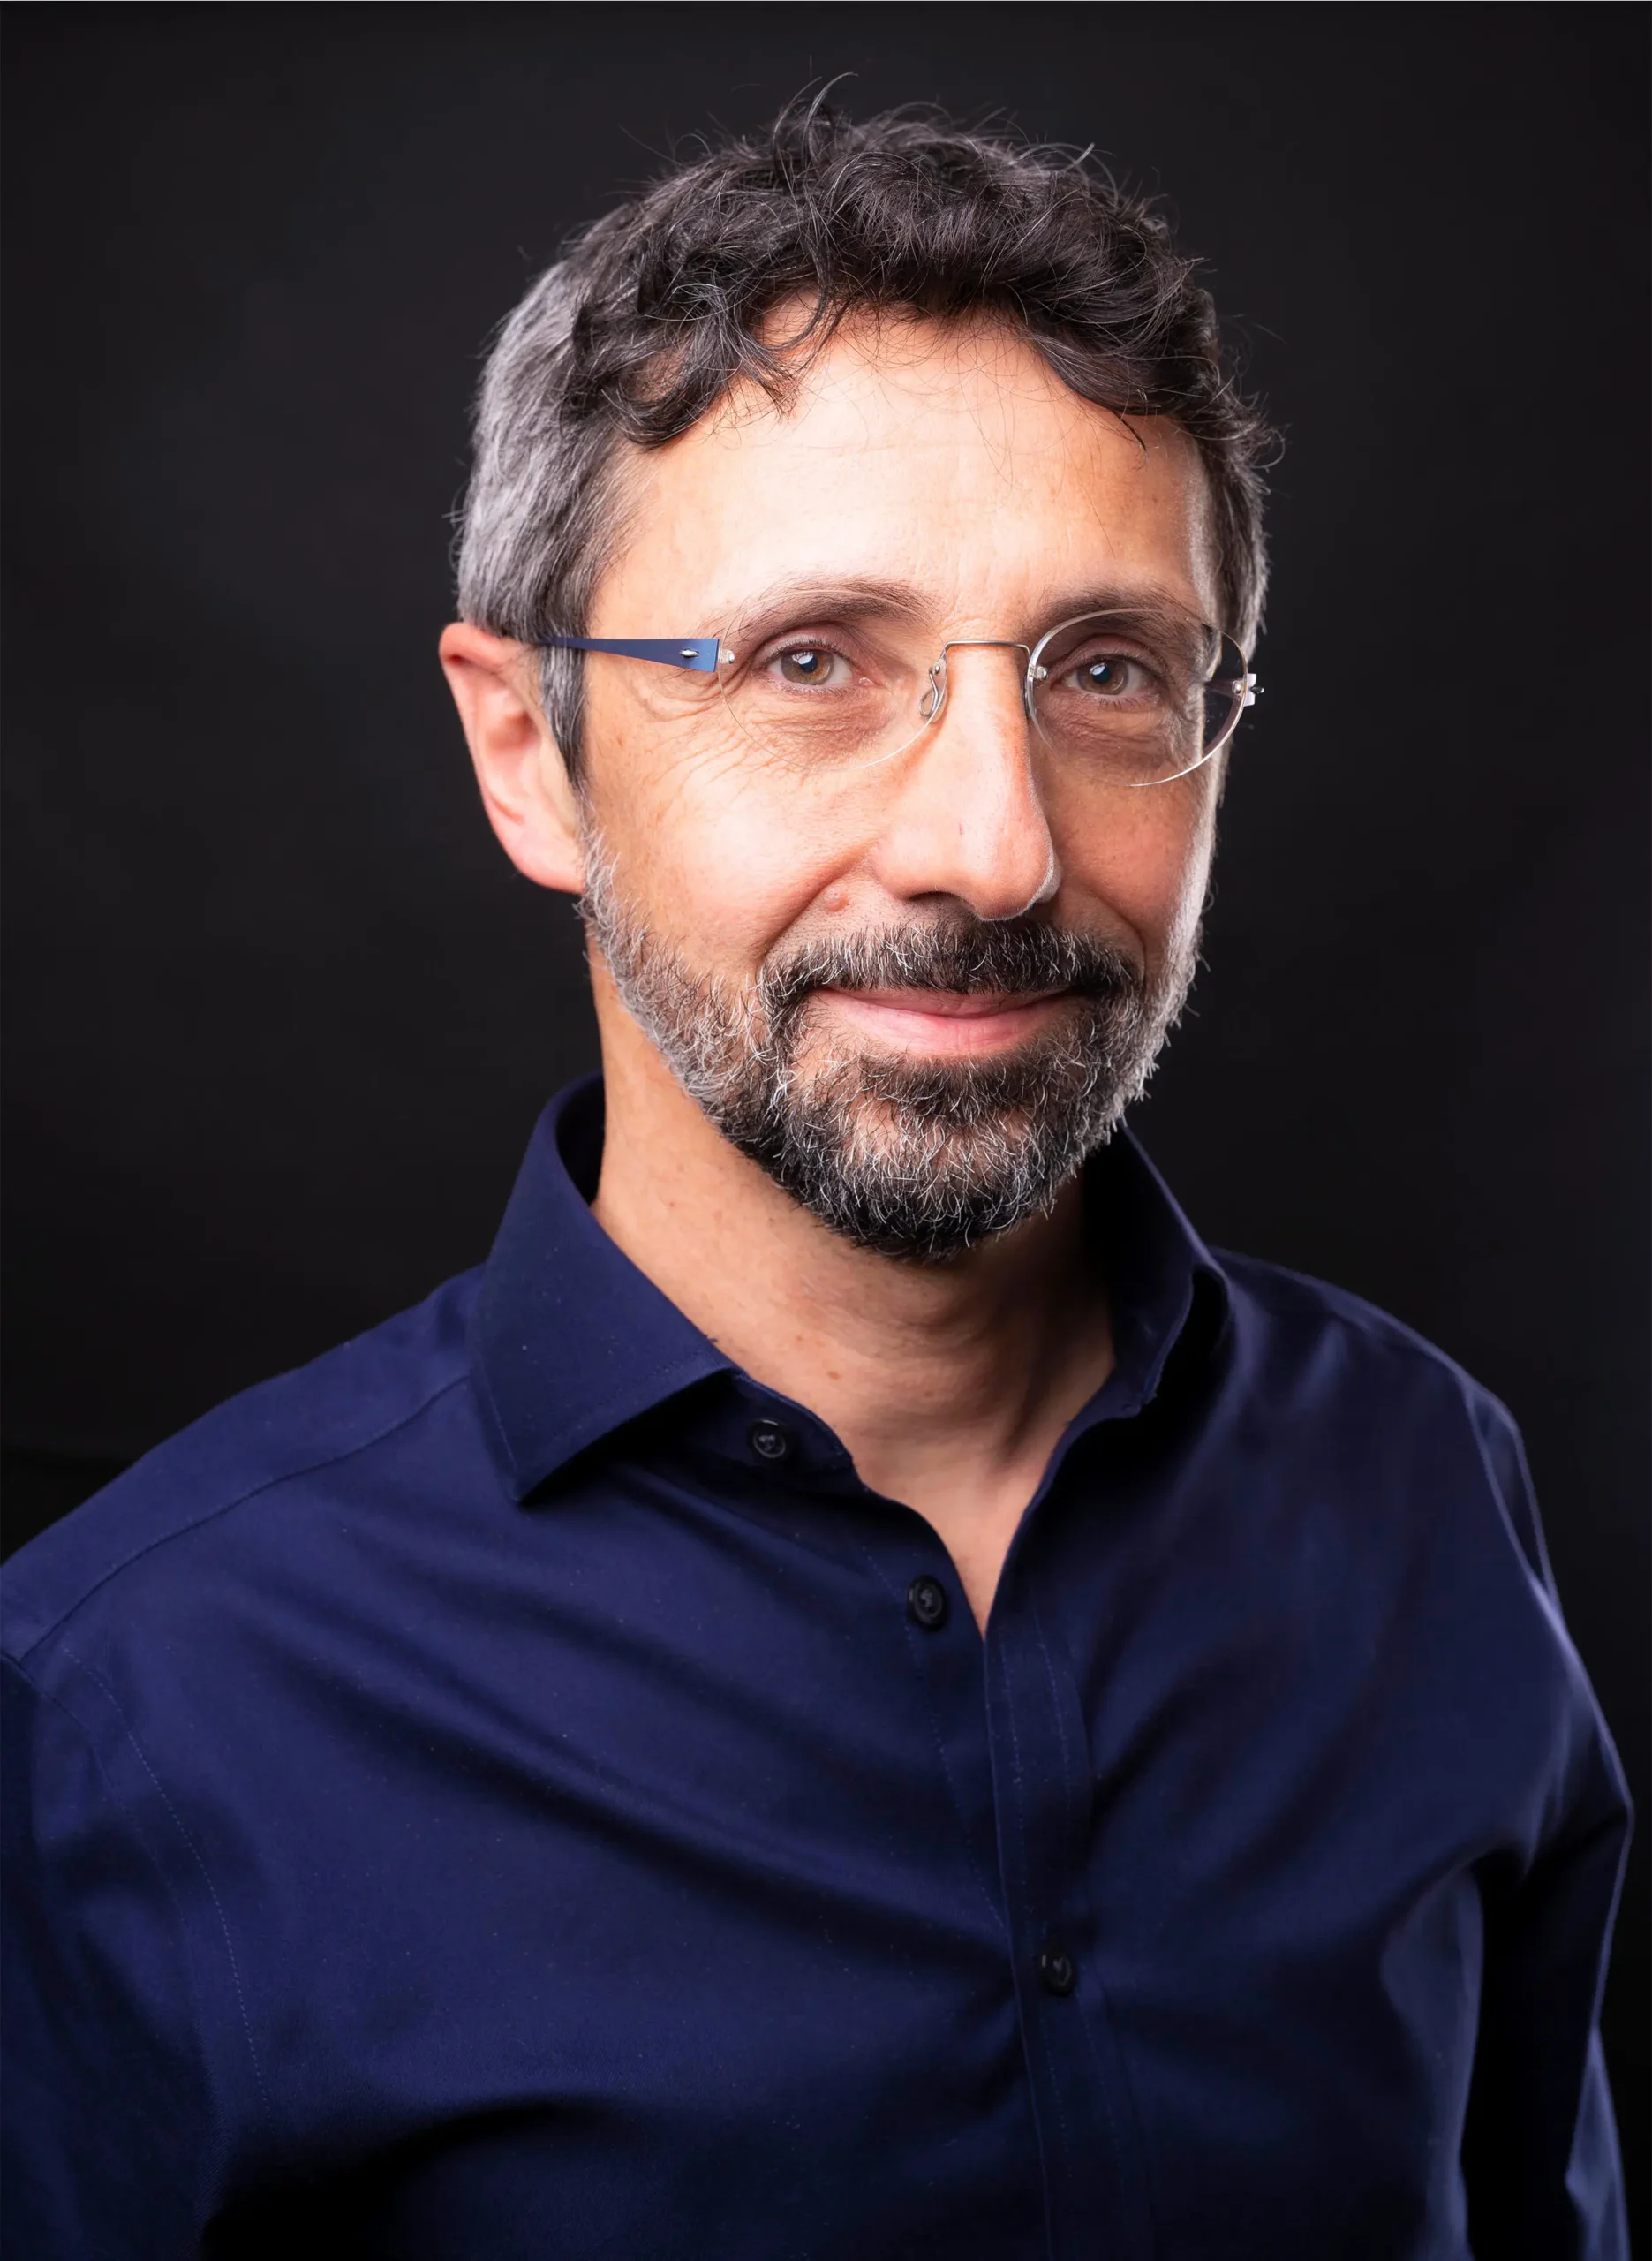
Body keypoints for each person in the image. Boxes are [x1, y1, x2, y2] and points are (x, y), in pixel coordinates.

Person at [2, 101, 1630, 2261]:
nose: (993, 848)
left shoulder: (1425, 1482)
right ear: (528, 752)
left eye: (1105, 669)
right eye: (807, 660)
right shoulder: (137, 1693)